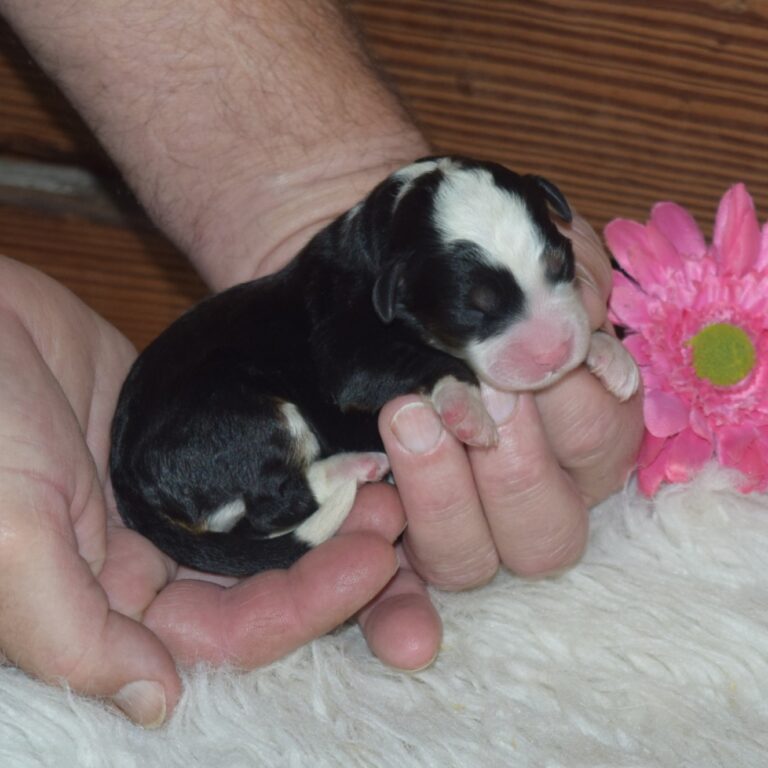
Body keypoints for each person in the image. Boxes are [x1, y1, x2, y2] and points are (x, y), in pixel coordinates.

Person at [0, 0, 643, 727]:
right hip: (202, 423)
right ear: (399, 295)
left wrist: (595, 341)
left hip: (203, 436)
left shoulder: (400, 272)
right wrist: (442, 383)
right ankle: (286, 506)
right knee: (279, 420)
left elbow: (535, 322)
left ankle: (298, 499)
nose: (551, 334)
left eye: (556, 272)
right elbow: (356, 379)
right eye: (484, 309)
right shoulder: (358, 310)